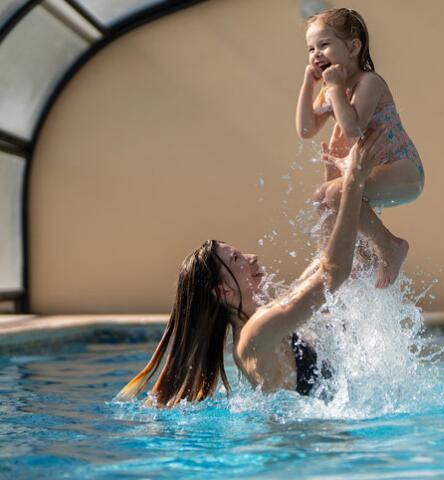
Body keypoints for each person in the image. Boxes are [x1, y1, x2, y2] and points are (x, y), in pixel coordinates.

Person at [116, 128, 388, 407]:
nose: (252, 257)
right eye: (236, 260)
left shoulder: (265, 316)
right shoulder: (256, 333)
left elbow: (324, 260)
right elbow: (334, 273)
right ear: (223, 291)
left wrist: (335, 179)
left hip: (320, 442)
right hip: (307, 449)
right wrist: (353, 180)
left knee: (358, 260)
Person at [296, 7, 424, 289]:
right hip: (369, 172)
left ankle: (390, 246)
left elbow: (352, 128)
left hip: (402, 170)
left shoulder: (369, 83)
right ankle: (361, 259)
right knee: (322, 198)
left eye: (324, 45)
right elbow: (306, 129)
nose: (316, 54)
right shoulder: (333, 88)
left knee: (335, 194)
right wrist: (309, 84)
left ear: (353, 46)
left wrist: (334, 89)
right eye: (311, 48)